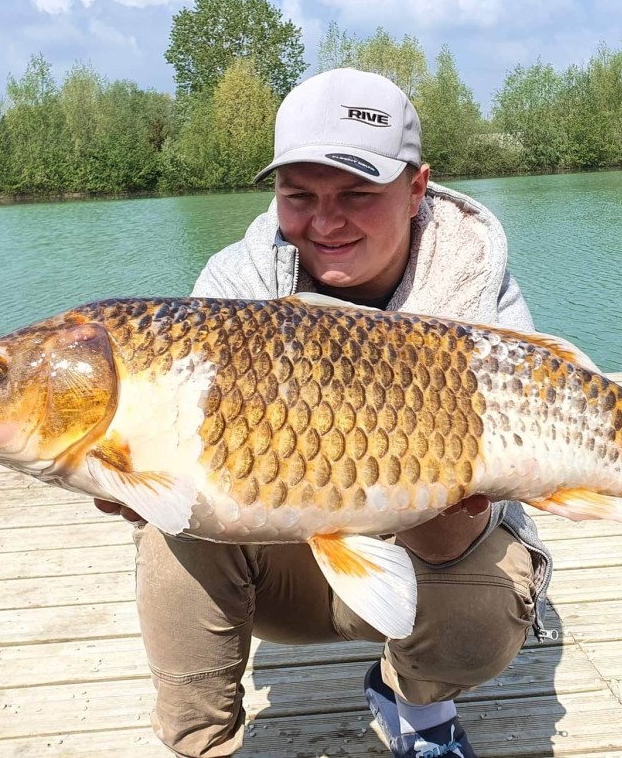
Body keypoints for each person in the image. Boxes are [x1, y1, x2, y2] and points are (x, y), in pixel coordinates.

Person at [96, 67, 554, 758]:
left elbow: (492, 507)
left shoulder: (475, 285)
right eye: (299, 195)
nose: (325, 221)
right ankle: (202, 745)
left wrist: (452, 506)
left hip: (431, 548)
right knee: (171, 527)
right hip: (284, 562)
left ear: (416, 188)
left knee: (482, 605)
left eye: (357, 193)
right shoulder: (234, 285)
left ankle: (418, 708)